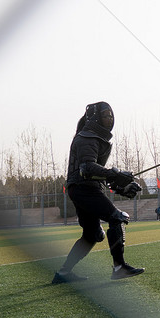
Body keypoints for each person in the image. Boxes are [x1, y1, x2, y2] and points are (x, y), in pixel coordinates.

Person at [52, 101, 144, 284]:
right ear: (95, 118)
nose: (110, 119)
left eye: (111, 115)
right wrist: (115, 173)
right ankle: (119, 267)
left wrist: (121, 187)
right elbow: (87, 168)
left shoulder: (93, 138)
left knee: (92, 234)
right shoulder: (87, 137)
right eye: (105, 115)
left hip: (84, 188)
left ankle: (63, 273)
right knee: (116, 218)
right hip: (83, 188)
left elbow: (96, 175)